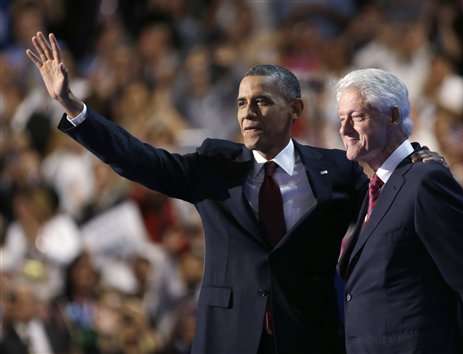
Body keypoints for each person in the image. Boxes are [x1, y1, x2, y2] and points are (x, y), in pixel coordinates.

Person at [26, 32, 438, 354]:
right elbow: (139, 159)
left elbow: (386, 199)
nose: (248, 113)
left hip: (310, 338)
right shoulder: (213, 169)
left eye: (261, 102)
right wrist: (72, 107)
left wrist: (414, 159)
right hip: (228, 338)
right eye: (241, 103)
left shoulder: (336, 170)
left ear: (295, 110)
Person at [335, 68, 463, 354]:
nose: (344, 129)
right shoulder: (377, 186)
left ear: (392, 116)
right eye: (341, 119)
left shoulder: (426, 182)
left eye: (358, 117)